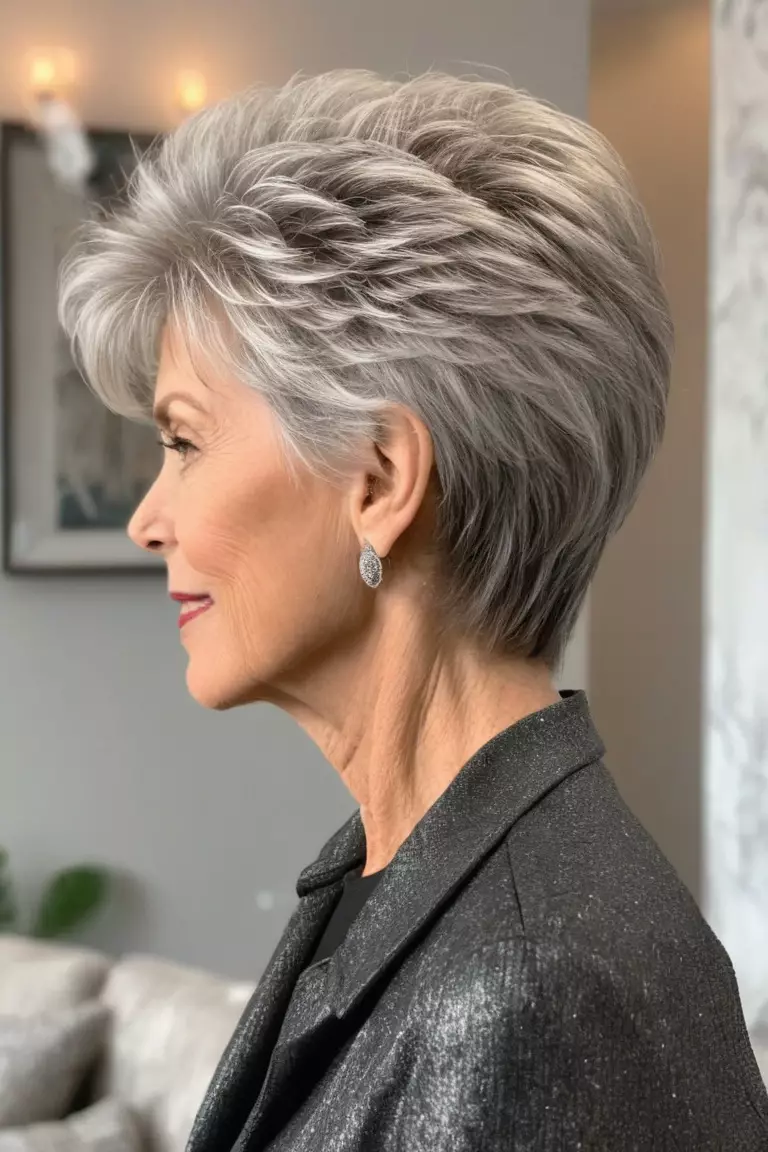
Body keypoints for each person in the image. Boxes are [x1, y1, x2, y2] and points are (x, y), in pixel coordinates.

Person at [58, 70, 768, 1150]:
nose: (148, 519)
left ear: (382, 482)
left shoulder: (533, 991)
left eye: (187, 440)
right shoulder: (405, 884)